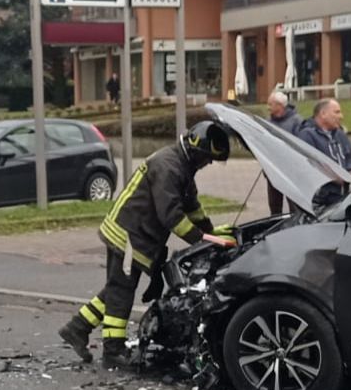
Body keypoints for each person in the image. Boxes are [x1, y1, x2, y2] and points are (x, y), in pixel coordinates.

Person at [57, 121, 235, 369]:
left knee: (117, 286)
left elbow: (192, 207)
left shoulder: (181, 166)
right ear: (197, 150)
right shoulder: (168, 166)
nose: (208, 164)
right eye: (208, 159)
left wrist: (210, 231)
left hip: (138, 235)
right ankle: (112, 352)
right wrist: (203, 240)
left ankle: (77, 327)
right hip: (128, 235)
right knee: (121, 291)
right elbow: (171, 215)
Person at [297, 97, 351, 211]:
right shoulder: (307, 135)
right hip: (320, 200)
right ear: (323, 114)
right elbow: (308, 164)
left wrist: (350, 169)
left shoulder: (339, 134)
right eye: (336, 112)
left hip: (342, 194)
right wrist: (333, 176)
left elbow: (350, 156)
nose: (341, 116)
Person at [264, 90, 302, 215]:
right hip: (272, 171)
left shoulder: (297, 121)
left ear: (280, 105)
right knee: (274, 206)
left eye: (270, 104)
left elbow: (301, 145)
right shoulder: (267, 123)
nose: (268, 107)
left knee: (295, 206)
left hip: (291, 172)